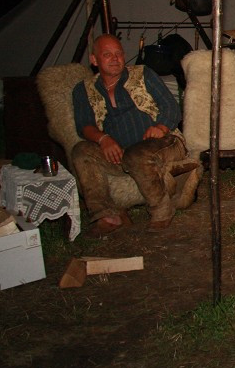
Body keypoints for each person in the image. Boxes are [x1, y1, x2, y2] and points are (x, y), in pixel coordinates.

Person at [72, 34, 190, 237]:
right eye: (107, 54)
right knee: (81, 151)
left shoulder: (143, 74)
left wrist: (160, 127)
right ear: (94, 60)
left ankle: (162, 210)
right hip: (118, 152)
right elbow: (84, 125)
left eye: (118, 53)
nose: (115, 58)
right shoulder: (84, 89)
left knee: (137, 154)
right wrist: (103, 139)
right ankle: (107, 215)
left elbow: (172, 108)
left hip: (163, 142)